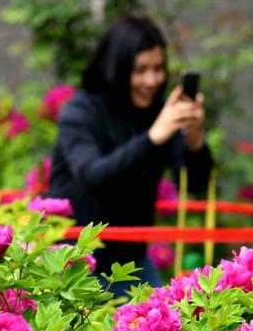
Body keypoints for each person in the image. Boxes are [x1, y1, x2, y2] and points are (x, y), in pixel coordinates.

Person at [47, 15, 212, 296]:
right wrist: (152, 138)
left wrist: (194, 138)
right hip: (76, 263)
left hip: (132, 260)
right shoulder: (81, 111)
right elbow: (92, 175)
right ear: (117, 69)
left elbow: (195, 184)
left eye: (159, 69)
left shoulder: (158, 113)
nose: (152, 80)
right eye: (141, 70)